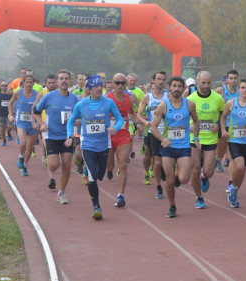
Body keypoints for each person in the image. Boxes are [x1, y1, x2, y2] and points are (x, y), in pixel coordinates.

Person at [65, 75, 124, 220]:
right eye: (95, 86)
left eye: (101, 85)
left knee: (99, 175)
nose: (99, 88)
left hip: (103, 145)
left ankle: (88, 170)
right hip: (88, 146)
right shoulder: (81, 104)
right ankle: (96, 206)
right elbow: (71, 121)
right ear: (89, 88)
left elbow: (120, 119)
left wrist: (115, 128)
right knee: (92, 177)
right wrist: (69, 136)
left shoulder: (109, 103)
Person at [148, 76, 200, 218]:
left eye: (179, 86)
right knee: (170, 181)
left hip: (183, 146)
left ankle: (178, 174)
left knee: (183, 179)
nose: (177, 89)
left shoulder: (189, 104)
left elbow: (196, 121)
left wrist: (195, 138)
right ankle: (172, 205)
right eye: (174, 86)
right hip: (168, 148)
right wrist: (163, 138)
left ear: (184, 88)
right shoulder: (163, 106)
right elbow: (153, 128)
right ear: (169, 87)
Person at [33, 69, 79, 204]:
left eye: (66, 78)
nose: (64, 80)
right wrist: (41, 124)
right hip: (51, 135)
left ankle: (61, 192)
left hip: (67, 136)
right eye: (61, 78)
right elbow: (36, 111)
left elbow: (78, 116)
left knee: (66, 165)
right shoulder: (49, 96)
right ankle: (48, 161)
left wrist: (78, 120)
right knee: (54, 165)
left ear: (70, 81)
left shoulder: (74, 98)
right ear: (58, 81)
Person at [187, 71, 225, 209]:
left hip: (210, 138)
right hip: (194, 138)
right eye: (203, 83)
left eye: (208, 83)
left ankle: (205, 177)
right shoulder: (190, 99)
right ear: (197, 82)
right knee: (195, 170)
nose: (206, 85)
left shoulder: (217, 98)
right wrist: (188, 126)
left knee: (209, 172)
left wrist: (218, 126)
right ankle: (199, 197)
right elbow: (181, 116)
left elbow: (223, 115)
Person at [105, 73, 142, 207]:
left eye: (122, 83)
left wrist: (137, 122)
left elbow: (132, 112)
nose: (120, 85)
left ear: (126, 84)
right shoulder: (106, 98)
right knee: (110, 165)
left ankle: (120, 195)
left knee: (123, 164)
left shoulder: (129, 98)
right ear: (113, 84)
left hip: (123, 135)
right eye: (117, 83)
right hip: (109, 135)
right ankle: (109, 170)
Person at [220, 78, 246, 208]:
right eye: (243, 87)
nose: (245, 90)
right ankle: (233, 188)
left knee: (243, 171)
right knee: (238, 166)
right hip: (234, 140)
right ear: (239, 89)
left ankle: (234, 191)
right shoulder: (231, 103)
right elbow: (223, 117)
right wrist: (223, 130)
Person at [137, 71, 169, 199]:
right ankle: (159, 187)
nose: (161, 81)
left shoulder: (169, 95)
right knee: (157, 161)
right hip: (153, 132)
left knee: (168, 161)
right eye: (159, 79)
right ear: (153, 80)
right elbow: (139, 114)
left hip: (168, 132)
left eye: (163, 79)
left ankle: (166, 175)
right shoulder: (147, 97)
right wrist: (145, 122)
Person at [8, 75, 39, 177]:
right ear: (24, 83)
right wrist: (10, 114)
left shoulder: (37, 94)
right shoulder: (18, 93)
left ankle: (24, 165)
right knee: (22, 143)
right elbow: (10, 103)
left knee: (30, 148)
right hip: (21, 122)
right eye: (27, 82)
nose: (29, 84)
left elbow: (40, 108)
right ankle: (21, 157)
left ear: (33, 83)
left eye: (31, 82)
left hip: (33, 123)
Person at [214, 69, 239, 174]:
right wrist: (220, 101)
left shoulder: (240, 91)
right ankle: (218, 160)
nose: (233, 80)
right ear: (227, 80)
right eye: (231, 78)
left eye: (235, 78)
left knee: (232, 145)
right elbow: (211, 100)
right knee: (222, 146)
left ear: (238, 79)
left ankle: (231, 161)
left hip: (235, 123)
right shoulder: (221, 90)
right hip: (223, 122)